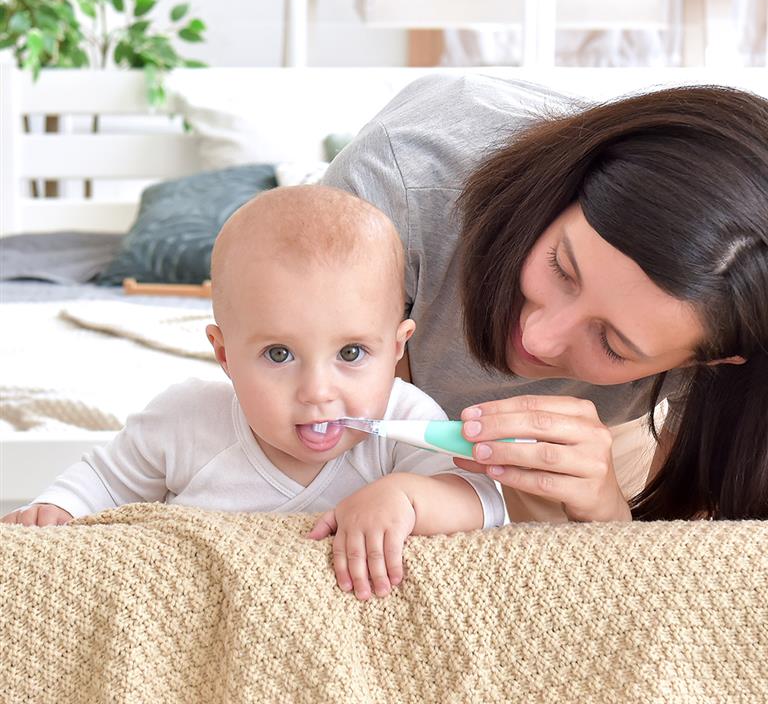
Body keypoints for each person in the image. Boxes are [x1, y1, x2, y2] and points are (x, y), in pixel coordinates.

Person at [0, 185, 505, 600]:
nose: (318, 391)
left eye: (351, 353)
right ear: (224, 355)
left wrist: (405, 497)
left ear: (397, 348)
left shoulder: (404, 422)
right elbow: (104, 483)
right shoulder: (187, 419)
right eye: (279, 355)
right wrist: (59, 509)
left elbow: (483, 500)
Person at [323, 73, 768, 523]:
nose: (537, 339)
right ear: (572, 185)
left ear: (713, 361)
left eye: (612, 344)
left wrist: (606, 515)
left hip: (602, 438)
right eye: (561, 267)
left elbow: (683, 550)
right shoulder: (399, 188)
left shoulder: (736, 344)